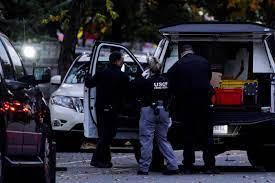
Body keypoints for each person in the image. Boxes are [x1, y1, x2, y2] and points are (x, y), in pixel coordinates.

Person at [167, 45, 217, 174]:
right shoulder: (204, 61)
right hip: (204, 104)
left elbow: (170, 79)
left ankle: (189, 165)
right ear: (192, 51)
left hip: (187, 105)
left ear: (182, 53)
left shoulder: (179, 64)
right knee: (207, 136)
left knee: (188, 136)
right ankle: (210, 166)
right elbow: (208, 78)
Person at [135, 57, 179, 175]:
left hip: (149, 110)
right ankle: (173, 165)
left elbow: (134, 87)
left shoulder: (146, 81)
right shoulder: (166, 81)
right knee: (163, 139)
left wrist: (141, 76)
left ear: (150, 69)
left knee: (146, 140)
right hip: (164, 111)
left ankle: (144, 168)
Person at [85, 51, 129, 168]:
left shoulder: (101, 73)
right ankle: (96, 159)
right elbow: (128, 93)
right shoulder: (123, 76)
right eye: (122, 59)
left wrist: (88, 75)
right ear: (118, 60)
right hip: (113, 109)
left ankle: (105, 160)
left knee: (103, 134)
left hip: (100, 108)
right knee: (108, 135)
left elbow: (89, 84)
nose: (123, 61)